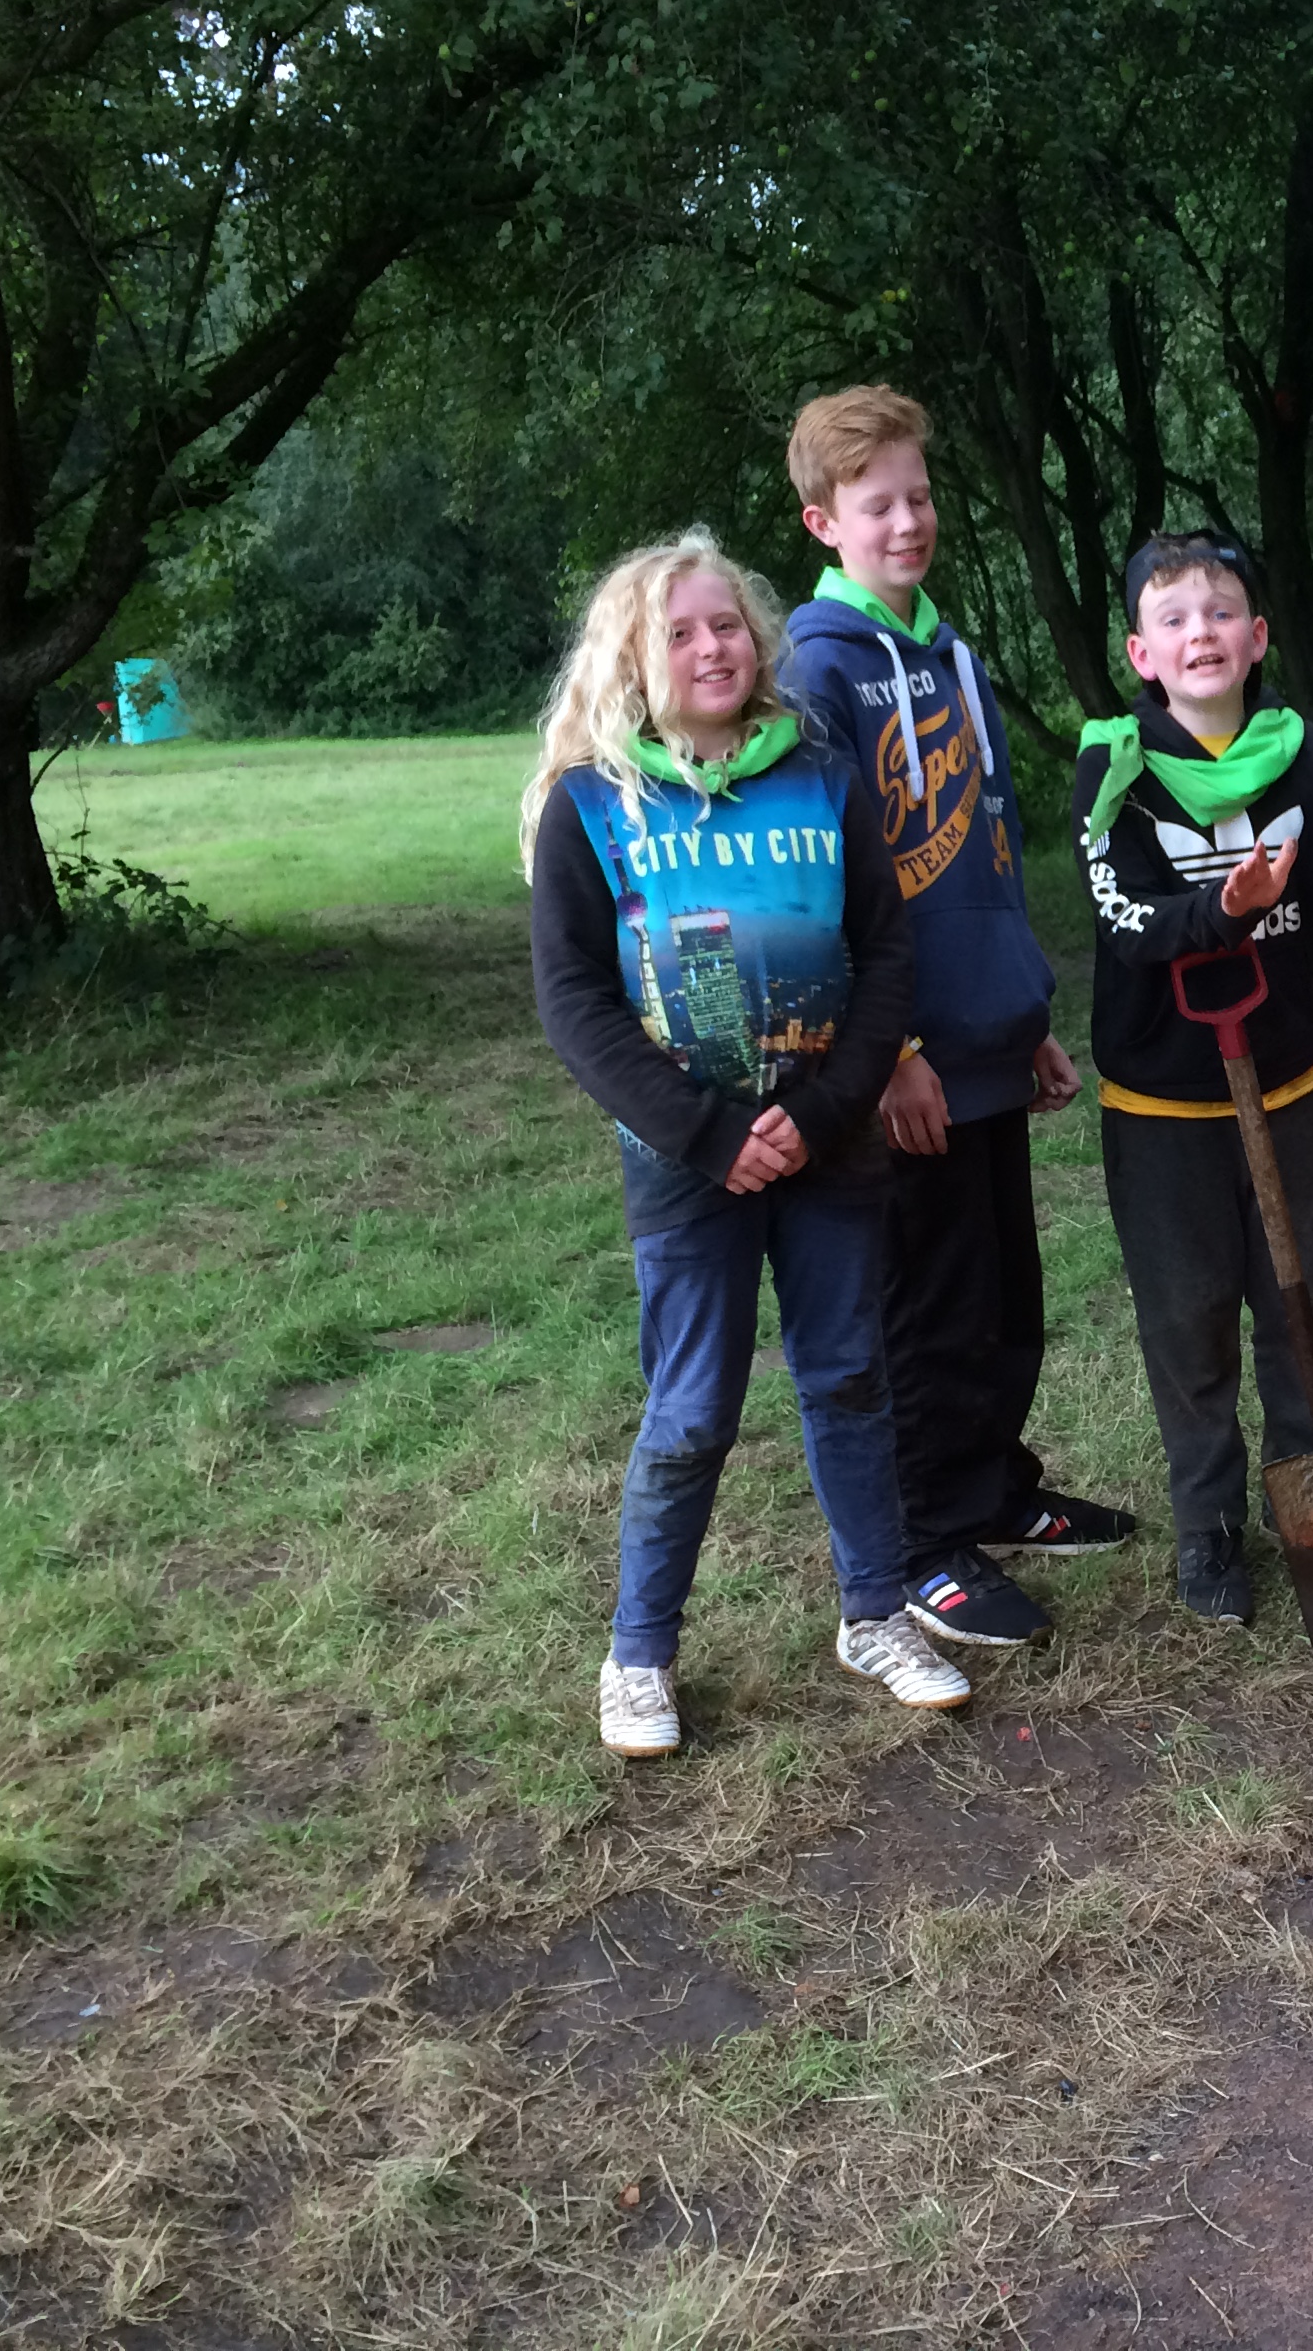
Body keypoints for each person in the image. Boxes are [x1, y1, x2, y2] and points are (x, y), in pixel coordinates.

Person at [522, 531, 971, 1757]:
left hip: (830, 1143)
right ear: (635, 658)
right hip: (687, 1162)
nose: (712, 648)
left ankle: (876, 1614)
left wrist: (823, 1114)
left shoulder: (822, 777)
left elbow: (885, 957)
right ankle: (639, 1654)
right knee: (691, 1409)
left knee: (850, 1377)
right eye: (680, 633)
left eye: (727, 625)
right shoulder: (592, 805)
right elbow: (574, 1002)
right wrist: (708, 1135)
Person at [776, 384, 1134, 1654]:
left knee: (1000, 1297)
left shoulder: (952, 657)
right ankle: (925, 1541)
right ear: (824, 522)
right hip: (904, 1061)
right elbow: (822, 886)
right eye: (877, 505)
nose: (908, 522)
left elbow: (983, 850)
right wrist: (893, 1055)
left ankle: (992, 1491)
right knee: (923, 1308)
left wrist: (1019, 1008)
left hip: (985, 1042)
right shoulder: (817, 669)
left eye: (920, 497)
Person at [1072, 533, 1313, 1622]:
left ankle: (1306, 1488)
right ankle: (1209, 1525)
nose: (1201, 634)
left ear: (1258, 636)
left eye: (1221, 613)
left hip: (1294, 1088)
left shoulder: (1312, 756)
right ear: (1143, 654)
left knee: (1305, 1304)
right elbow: (1125, 921)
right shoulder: (1115, 770)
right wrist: (1222, 911)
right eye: (1174, 620)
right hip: (1163, 1109)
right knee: (1188, 1321)